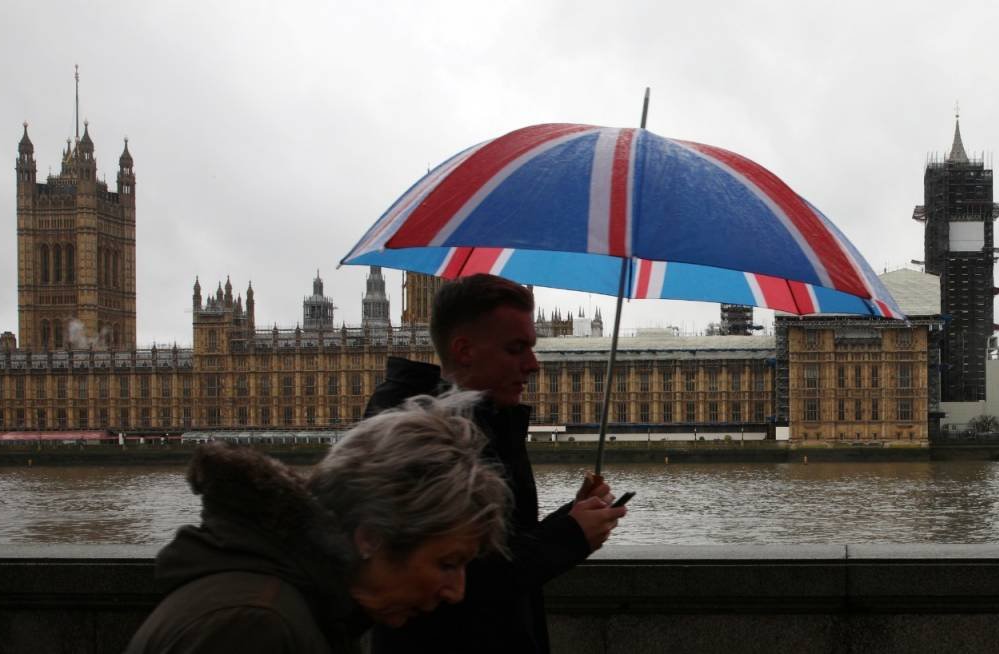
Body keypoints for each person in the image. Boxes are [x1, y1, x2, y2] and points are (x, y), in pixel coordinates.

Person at [125, 392, 511, 654]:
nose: (457, 591)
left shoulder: (302, 605)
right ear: (370, 538)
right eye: (447, 563)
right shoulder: (254, 627)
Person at [366, 273, 627, 654]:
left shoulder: (483, 424)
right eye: (516, 348)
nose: (534, 365)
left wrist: (570, 517)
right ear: (464, 350)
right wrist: (568, 536)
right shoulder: (416, 442)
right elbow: (459, 584)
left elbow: (497, 547)